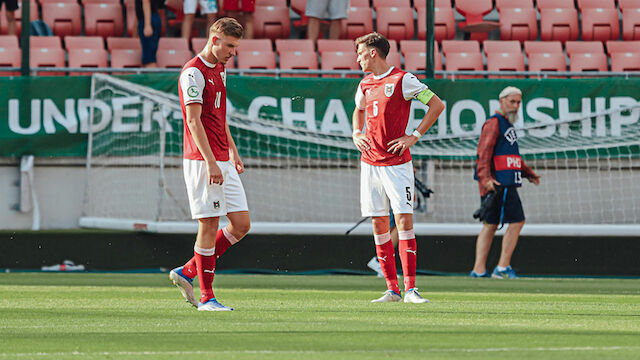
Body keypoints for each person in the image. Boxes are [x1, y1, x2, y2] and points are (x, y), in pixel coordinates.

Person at [352, 32, 445, 303]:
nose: (357, 59)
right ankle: (392, 289)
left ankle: (411, 289)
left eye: (359, 53)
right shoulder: (366, 84)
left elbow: (436, 104)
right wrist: (356, 133)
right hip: (370, 164)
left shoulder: (403, 80)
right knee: (379, 223)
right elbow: (358, 110)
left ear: (372, 53)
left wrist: (413, 136)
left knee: (404, 221)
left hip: (397, 165)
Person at [169, 17, 250, 311]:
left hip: (222, 158)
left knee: (241, 224)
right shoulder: (193, 73)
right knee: (209, 223)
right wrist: (211, 162)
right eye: (229, 45)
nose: (233, 52)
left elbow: (218, 117)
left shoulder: (220, 68)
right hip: (204, 161)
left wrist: (233, 151)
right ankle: (207, 298)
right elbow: (193, 120)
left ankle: (188, 270)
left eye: (236, 46)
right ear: (214, 39)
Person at [470, 86, 540, 279]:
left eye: (518, 103)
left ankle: (479, 269)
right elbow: (483, 154)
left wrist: (528, 173)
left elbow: (513, 156)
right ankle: (502, 267)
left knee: (490, 224)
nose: (516, 106)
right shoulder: (494, 124)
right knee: (517, 221)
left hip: (504, 182)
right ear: (501, 101)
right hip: (499, 184)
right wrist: (486, 179)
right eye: (512, 102)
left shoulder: (507, 125)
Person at [135, 0, 164, 67]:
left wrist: (147, 25)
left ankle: (154, 77)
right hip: (150, 19)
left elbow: (146, 1)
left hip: (148, 20)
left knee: (149, 60)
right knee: (148, 59)